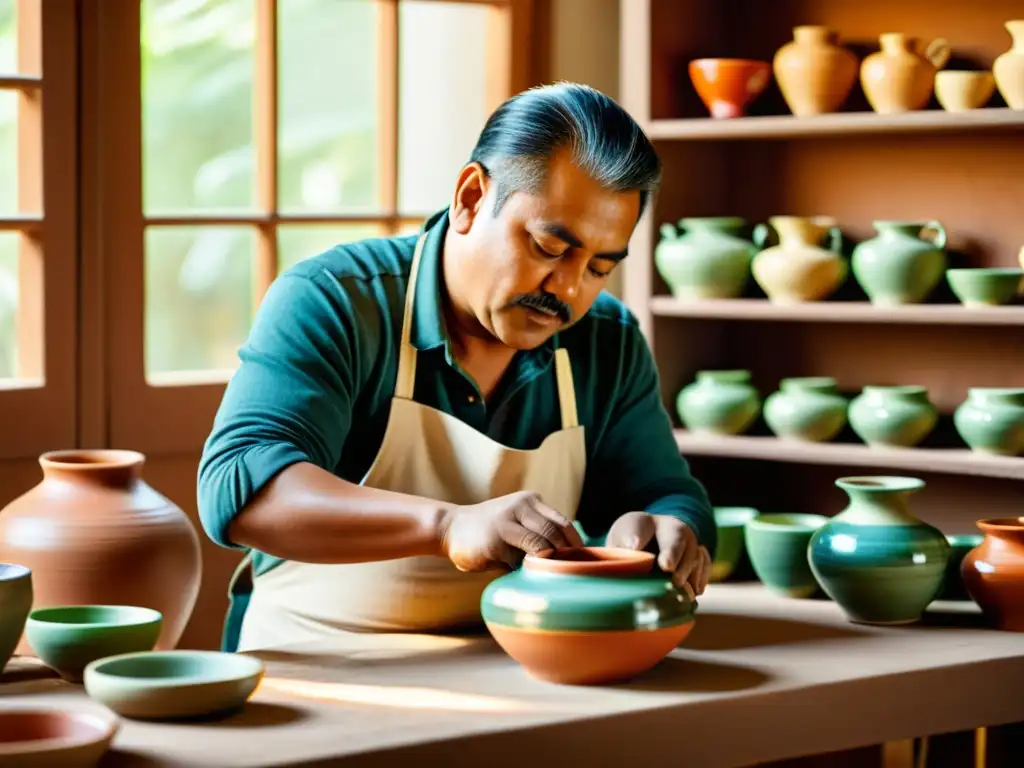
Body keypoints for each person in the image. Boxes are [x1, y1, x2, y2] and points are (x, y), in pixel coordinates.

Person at [197, 82, 716, 654]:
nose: (568, 289)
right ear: (470, 198)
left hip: (521, 672)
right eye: (548, 247)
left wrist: (673, 528)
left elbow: (669, 491)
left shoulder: (607, 341)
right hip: (314, 666)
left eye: (599, 267)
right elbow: (240, 489)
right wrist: (447, 526)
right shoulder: (335, 300)